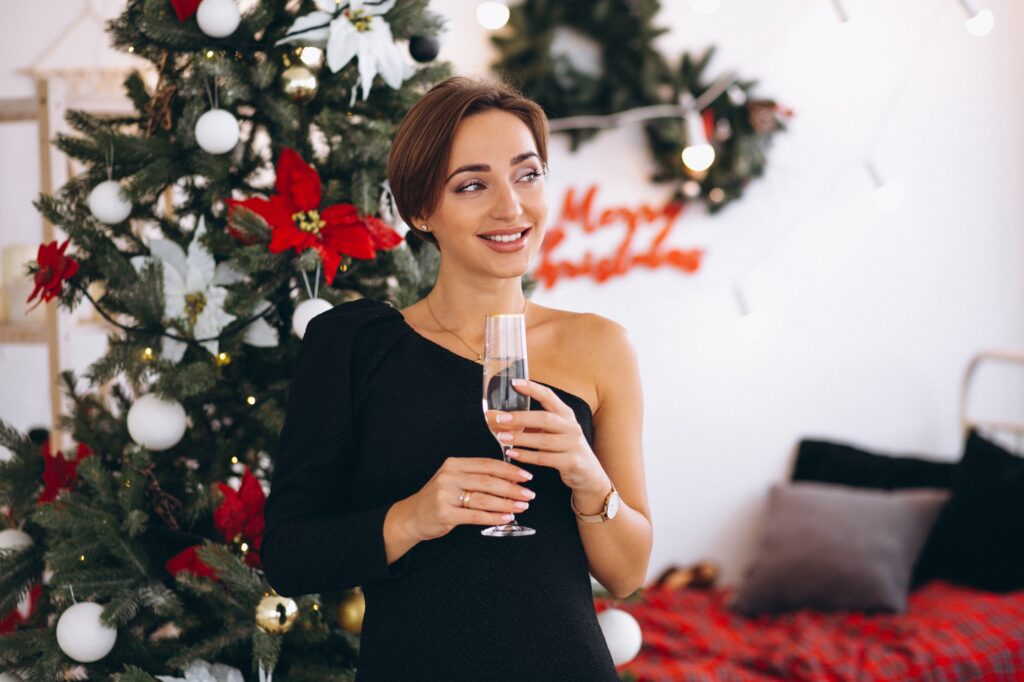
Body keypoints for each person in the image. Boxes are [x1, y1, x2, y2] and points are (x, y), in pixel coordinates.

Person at [262, 77, 652, 681]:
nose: (511, 206)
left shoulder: (600, 346)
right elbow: (288, 555)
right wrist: (413, 517)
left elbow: (627, 575)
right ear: (421, 210)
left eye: (528, 174)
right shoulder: (354, 346)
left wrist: (586, 476)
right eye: (472, 184)